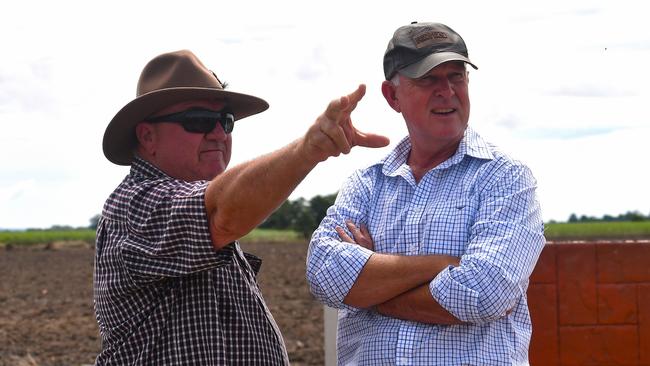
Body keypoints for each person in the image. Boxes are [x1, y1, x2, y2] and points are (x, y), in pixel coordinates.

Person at [94, 49, 389, 365]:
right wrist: (309, 149)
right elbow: (222, 214)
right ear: (148, 136)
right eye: (198, 121)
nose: (220, 133)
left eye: (226, 120)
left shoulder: (190, 210)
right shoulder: (135, 205)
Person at [306, 22, 545, 365]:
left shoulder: (505, 178)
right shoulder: (366, 184)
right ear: (393, 96)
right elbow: (324, 274)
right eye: (428, 78)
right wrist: (444, 266)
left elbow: (484, 293)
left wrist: (370, 290)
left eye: (456, 76)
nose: (447, 91)